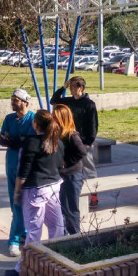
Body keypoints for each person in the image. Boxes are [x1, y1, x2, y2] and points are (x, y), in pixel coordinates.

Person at [5, 109, 65, 276]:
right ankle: (57, 261)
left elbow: (22, 171)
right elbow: (60, 165)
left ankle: (23, 267)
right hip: (54, 186)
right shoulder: (57, 142)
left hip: (35, 190)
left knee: (33, 230)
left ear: (35, 124)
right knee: (57, 225)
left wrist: (17, 191)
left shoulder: (31, 142)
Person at [0, 89, 36, 257]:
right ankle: (21, 233)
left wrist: (13, 140)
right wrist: (17, 140)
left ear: (25, 102)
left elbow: (30, 142)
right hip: (11, 165)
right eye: (12, 99)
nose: (12, 102)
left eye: (16, 100)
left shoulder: (33, 118)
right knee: (15, 203)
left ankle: (14, 239)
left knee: (23, 202)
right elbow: (2, 139)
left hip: (26, 167)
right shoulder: (9, 118)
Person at [51, 76, 99, 205]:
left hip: (83, 142)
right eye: (70, 86)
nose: (71, 89)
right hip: (69, 141)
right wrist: (63, 87)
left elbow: (93, 125)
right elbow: (53, 100)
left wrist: (88, 142)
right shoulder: (68, 101)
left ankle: (93, 195)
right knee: (72, 169)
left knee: (88, 168)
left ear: (80, 88)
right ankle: (75, 194)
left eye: (73, 86)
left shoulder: (89, 104)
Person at [52, 104, 88, 235]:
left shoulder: (72, 135)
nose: (52, 119)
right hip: (63, 176)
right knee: (63, 208)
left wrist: (66, 163)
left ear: (62, 118)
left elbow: (82, 152)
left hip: (73, 176)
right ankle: (66, 235)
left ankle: (74, 238)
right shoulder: (59, 134)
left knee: (70, 209)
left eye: (55, 117)